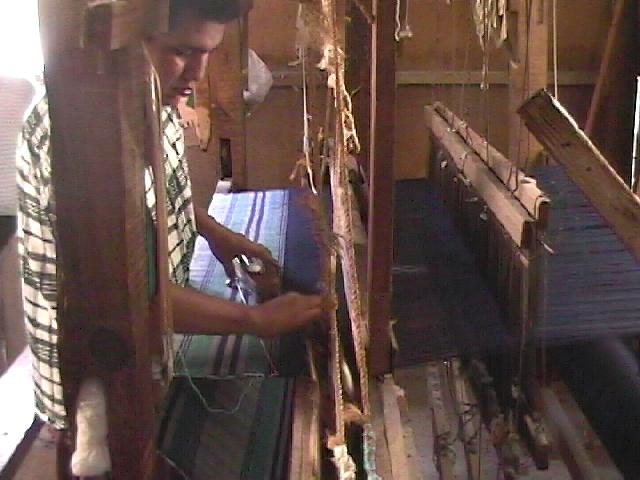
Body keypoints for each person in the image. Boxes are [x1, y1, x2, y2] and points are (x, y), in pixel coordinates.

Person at [16, 0, 324, 431]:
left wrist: (215, 232)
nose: (197, 74)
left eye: (207, 53)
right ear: (125, 38)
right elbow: (127, 298)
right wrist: (254, 320)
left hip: (148, 346)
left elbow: (147, 199)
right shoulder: (80, 135)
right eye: (182, 51)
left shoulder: (147, 95)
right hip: (97, 383)